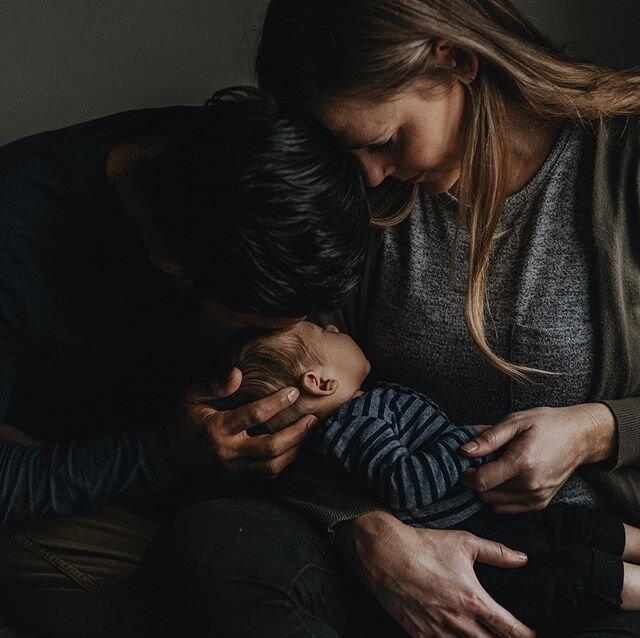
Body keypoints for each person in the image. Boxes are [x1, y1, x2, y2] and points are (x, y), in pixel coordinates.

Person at [144, 1, 640, 636]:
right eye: (350, 151)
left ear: (456, 60)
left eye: (383, 140)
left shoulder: (619, 164)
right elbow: (298, 390)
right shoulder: (363, 202)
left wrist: (600, 429)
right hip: (390, 527)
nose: (371, 173)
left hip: (576, 545)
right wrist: (365, 531)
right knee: (211, 549)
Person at [0, 87, 373, 637]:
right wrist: (167, 452)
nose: (326, 330)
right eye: (260, 323)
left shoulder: (253, 161)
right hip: (61, 478)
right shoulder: (16, 233)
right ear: (173, 272)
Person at [216, 320, 640, 633]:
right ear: (320, 381)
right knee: (576, 572)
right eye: (325, 333)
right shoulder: (355, 423)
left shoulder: (370, 405)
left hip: (497, 519)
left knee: (578, 526)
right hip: (477, 550)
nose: (333, 325)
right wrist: (461, 443)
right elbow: (405, 484)